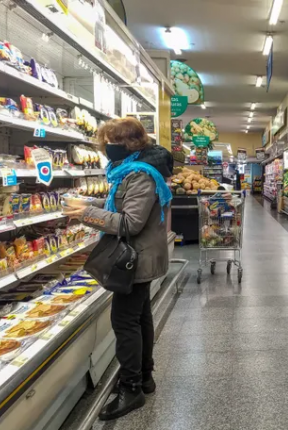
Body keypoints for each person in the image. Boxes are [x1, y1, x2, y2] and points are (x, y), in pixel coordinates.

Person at [63, 117, 173, 421]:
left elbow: (130, 223)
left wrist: (88, 213)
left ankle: (131, 387)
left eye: (110, 142)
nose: (105, 148)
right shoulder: (131, 171)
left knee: (125, 322)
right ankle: (144, 378)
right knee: (140, 317)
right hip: (140, 256)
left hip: (135, 259)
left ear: (127, 144)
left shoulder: (140, 175)